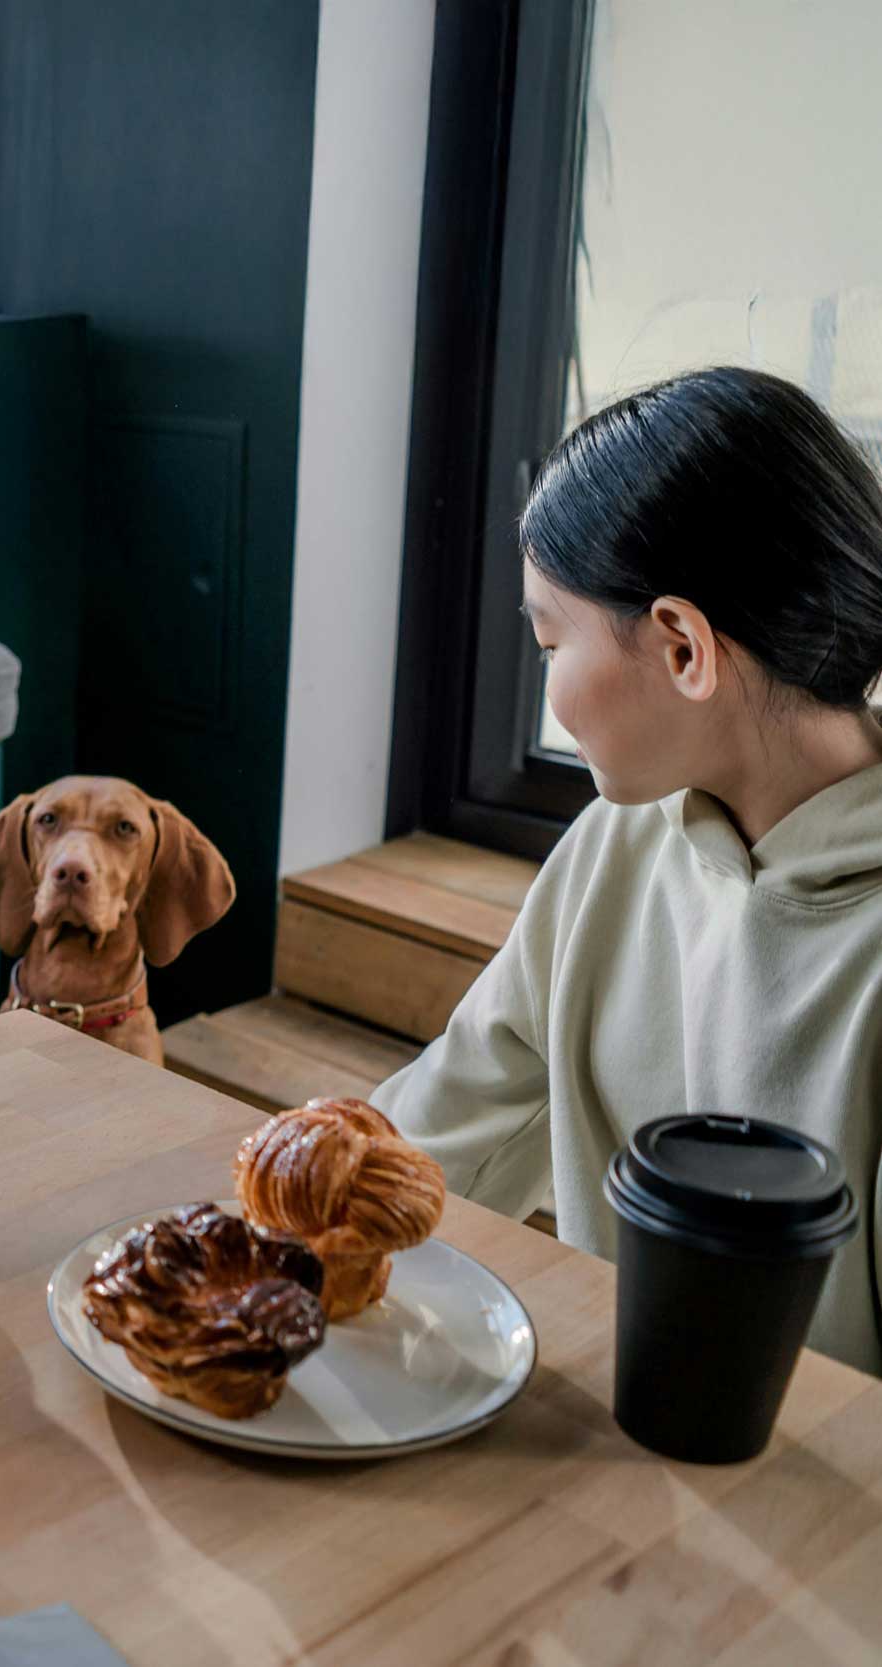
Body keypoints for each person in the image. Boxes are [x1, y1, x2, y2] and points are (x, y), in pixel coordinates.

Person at [377, 365, 882, 1374]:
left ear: (683, 648)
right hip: (603, 1423)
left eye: (548, 636)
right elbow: (449, 1115)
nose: (545, 680)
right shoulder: (624, 837)